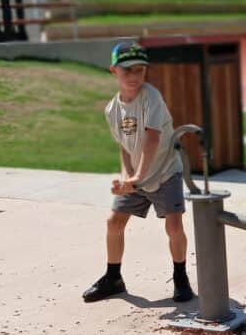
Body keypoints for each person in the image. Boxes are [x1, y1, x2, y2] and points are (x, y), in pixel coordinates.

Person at [83, 41, 195, 304]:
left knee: (173, 225)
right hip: (137, 177)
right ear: (114, 71)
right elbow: (125, 146)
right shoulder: (112, 109)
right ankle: (114, 278)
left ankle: (180, 277)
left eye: (139, 71)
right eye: (127, 71)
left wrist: (137, 179)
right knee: (114, 222)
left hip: (165, 172)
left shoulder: (151, 97)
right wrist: (126, 179)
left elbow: (152, 140)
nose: (134, 77)